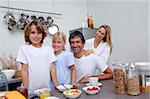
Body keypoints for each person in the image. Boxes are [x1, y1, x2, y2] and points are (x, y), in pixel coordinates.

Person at [16, 20, 57, 94]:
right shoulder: (24, 49)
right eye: (33, 32)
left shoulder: (48, 49)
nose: (36, 35)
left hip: (46, 90)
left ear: (42, 34)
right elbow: (24, 70)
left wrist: (56, 86)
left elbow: (52, 69)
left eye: (39, 33)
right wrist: (26, 88)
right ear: (28, 34)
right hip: (31, 91)